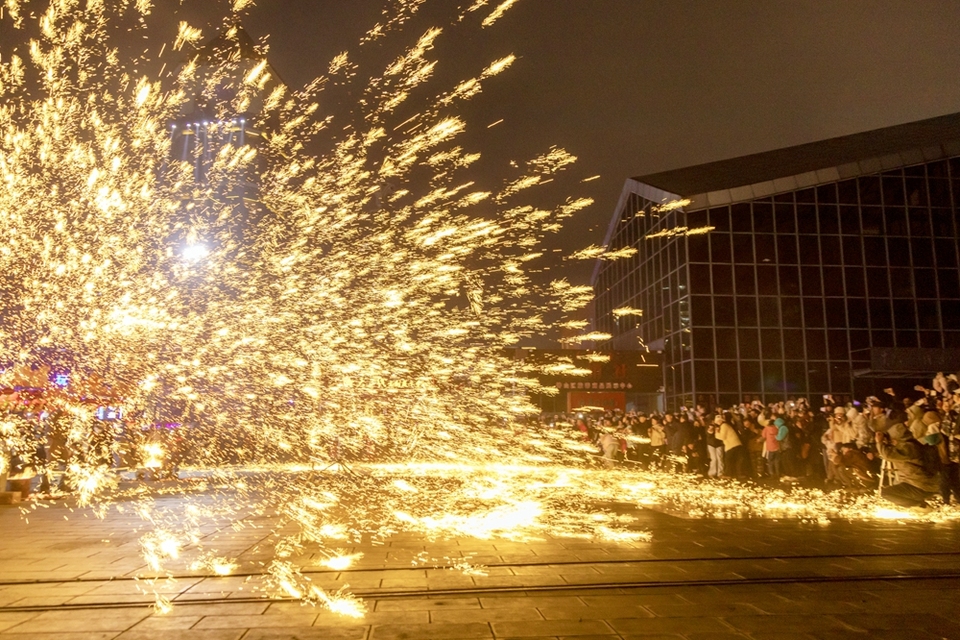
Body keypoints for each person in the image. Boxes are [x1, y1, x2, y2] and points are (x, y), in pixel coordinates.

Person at [876, 423, 940, 509]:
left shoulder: (908, 448)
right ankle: (920, 505)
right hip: (919, 482)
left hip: (921, 486)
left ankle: (921, 506)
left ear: (895, 439)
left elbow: (887, 455)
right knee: (894, 486)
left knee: (886, 493)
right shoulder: (910, 445)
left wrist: (879, 442)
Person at [716, 413, 745, 479]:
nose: (718, 422)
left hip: (731, 445)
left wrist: (717, 433)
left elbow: (722, 437)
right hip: (736, 444)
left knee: (728, 461)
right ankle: (739, 474)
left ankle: (728, 474)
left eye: (718, 421)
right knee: (737, 460)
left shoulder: (724, 426)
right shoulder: (726, 425)